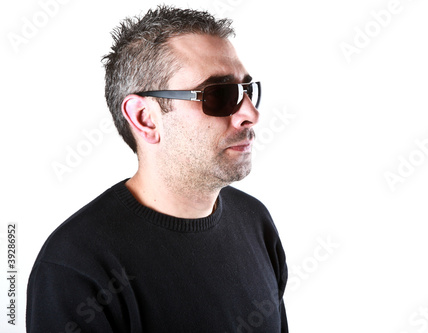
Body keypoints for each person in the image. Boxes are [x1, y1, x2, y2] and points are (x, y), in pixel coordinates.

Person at [26, 5, 288, 333]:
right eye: (220, 95)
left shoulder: (256, 222)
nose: (250, 113)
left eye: (247, 91)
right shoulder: (75, 266)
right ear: (145, 118)